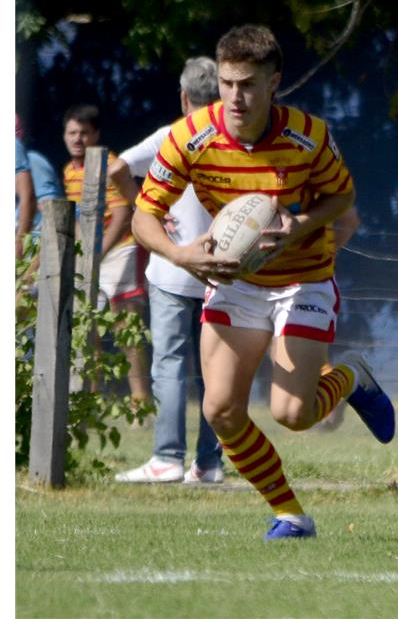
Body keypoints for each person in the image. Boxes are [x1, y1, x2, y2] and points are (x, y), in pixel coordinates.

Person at [130, 24, 394, 540]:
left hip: (303, 279)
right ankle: (292, 514)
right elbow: (144, 215)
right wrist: (182, 254)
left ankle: (353, 377)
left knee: (293, 413)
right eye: (228, 82)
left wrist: (300, 224)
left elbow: (342, 198)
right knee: (221, 410)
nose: (235, 96)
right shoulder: (189, 136)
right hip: (235, 282)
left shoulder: (308, 135)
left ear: (275, 82)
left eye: (248, 84)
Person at [112, 57, 227, 484]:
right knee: (216, 369)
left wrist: (149, 212)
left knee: (171, 364)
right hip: (221, 271)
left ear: (183, 97)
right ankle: (210, 464)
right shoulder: (233, 139)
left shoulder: (170, 135)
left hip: (171, 270)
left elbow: (118, 167)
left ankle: (166, 458)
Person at [62, 104, 152, 403]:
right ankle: (90, 397)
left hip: (122, 246)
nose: (77, 139)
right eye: (72, 133)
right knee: (87, 325)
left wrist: (97, 254)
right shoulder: (68, 172)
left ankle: (140, 398)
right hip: (91, 251)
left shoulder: (109, 163)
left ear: (96, 135)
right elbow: (76, 216)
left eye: (84, 133)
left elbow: (123, 213)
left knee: (125, 325)